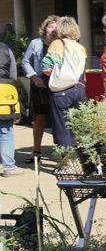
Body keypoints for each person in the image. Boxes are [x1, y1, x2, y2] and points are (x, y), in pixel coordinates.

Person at [41, 16, 87, 148]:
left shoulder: (57, 44)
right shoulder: (80, 47)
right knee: (76, 127)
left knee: (62, 129)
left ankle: (67, 163)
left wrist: (57, 75)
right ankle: (78, 160)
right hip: (79, 90)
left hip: (61, 92)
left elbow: (45, 68)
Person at [21, 15, 59, 162]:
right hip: (39, 85)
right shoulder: (35, 43)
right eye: (50, 27)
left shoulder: (62, 44)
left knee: (58, 119)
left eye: (56, 27)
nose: (53, 30)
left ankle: (60, 151)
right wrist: (33, 77)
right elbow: (25, 61)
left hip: (57, 85)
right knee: (39, 119)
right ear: (45, 28)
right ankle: (36, 151)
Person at [0, 39, 21, 177]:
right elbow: (13, 75)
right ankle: (8, 166)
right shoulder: (6, 49)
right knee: (5, 132)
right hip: (5, 94)